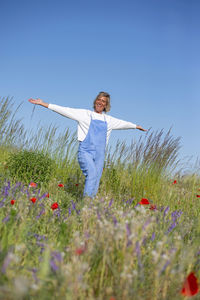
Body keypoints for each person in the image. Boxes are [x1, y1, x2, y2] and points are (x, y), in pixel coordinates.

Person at [28, 92, 147, 198]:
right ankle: (86, 203)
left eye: (103, 101)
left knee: (95, 179)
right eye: (99, 99)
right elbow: (65, 110)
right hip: (86, 151)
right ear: (95, 101)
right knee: (91, 174)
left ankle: (90, 206)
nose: (100, 102)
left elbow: (123, 123)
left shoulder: (109, 120)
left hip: (100, 155)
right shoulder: (84, 114)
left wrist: (135, 126)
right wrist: (43, 103)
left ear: (106, 105)